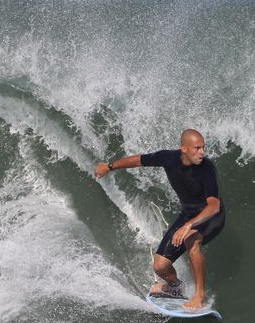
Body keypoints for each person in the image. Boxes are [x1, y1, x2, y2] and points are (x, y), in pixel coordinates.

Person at [95, 129, 225, 310]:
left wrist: (189, 226)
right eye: (197, 148)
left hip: (211, 217)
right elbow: (139, 160)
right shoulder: (168, 158)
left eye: (203, 147)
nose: (202, 152)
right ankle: (176, 287)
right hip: (188, 214)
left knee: (191, 240)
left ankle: (200, 296)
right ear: (184, 149)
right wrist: (109, 167)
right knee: (160, 266)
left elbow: (214, 206)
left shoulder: (207, 168)